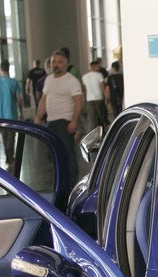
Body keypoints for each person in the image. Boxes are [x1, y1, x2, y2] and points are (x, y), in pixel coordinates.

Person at [35, 50, 83, 183]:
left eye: (59, 62)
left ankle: (72, 183)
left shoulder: (71, 80)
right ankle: (60, 180)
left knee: (68, 153)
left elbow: (79, 101)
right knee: (52, 153)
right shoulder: (48, 79)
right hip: (51, 121)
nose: (56, 64)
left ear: (65, 64)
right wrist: (38, 117)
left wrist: (74, 121)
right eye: (54, 62)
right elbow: (44, 100)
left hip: (65, 122)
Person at [0, 60, 23, 165]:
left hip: (0, 115)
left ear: (0, 68)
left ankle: (7, 155)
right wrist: (21, 111)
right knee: (11, 136)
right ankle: (10, 156)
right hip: (11, 114)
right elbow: (19, 99)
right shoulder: (14, 82)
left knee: (4, 136)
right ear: (8, 68)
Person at [81, 58, 107, 131]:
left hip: (89, 99)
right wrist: (106, 97)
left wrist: (84, 99)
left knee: (91, 118)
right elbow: (103, 87)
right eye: (98, 66)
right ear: (93, 66)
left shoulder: (84, 77)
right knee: (101, 117)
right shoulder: (99, 75)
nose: (99, 67)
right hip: (99, 98)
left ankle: (92, 133)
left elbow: (84, 90)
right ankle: (104, 132)